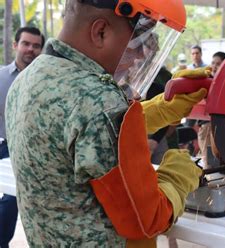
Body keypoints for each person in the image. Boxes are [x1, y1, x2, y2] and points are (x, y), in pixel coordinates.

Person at [5, 1, 207, 246]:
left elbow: (86, 135)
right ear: (100, 31)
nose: (143, 53)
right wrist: (180, 171)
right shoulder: (100, 102)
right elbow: (147, 219)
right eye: (139, 39)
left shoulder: (28, 78)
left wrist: (162, 109)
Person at [0, 26, 43, 248]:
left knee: (10, 199)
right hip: (0, 142)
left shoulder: (44, 83)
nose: (31, 49)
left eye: (36, 46)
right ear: (15, 45)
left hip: (23, 151)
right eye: (26, 43)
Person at [198, 51, 225, 168]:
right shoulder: (206, 81)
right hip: (206, 127)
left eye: (218, 63)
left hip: (222, 127)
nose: (214, 66)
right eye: (213, 63)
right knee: (208, 163)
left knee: (220, 161)